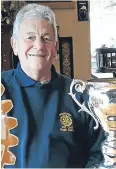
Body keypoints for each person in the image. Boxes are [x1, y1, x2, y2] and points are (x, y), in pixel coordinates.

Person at [1, 3, 105, 168]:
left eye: (46, 38)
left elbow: (100, 153)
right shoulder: (1, 89)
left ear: (55, 47)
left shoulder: (79, 95)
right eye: (30, 37)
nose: (39, 46)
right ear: (14, 45)